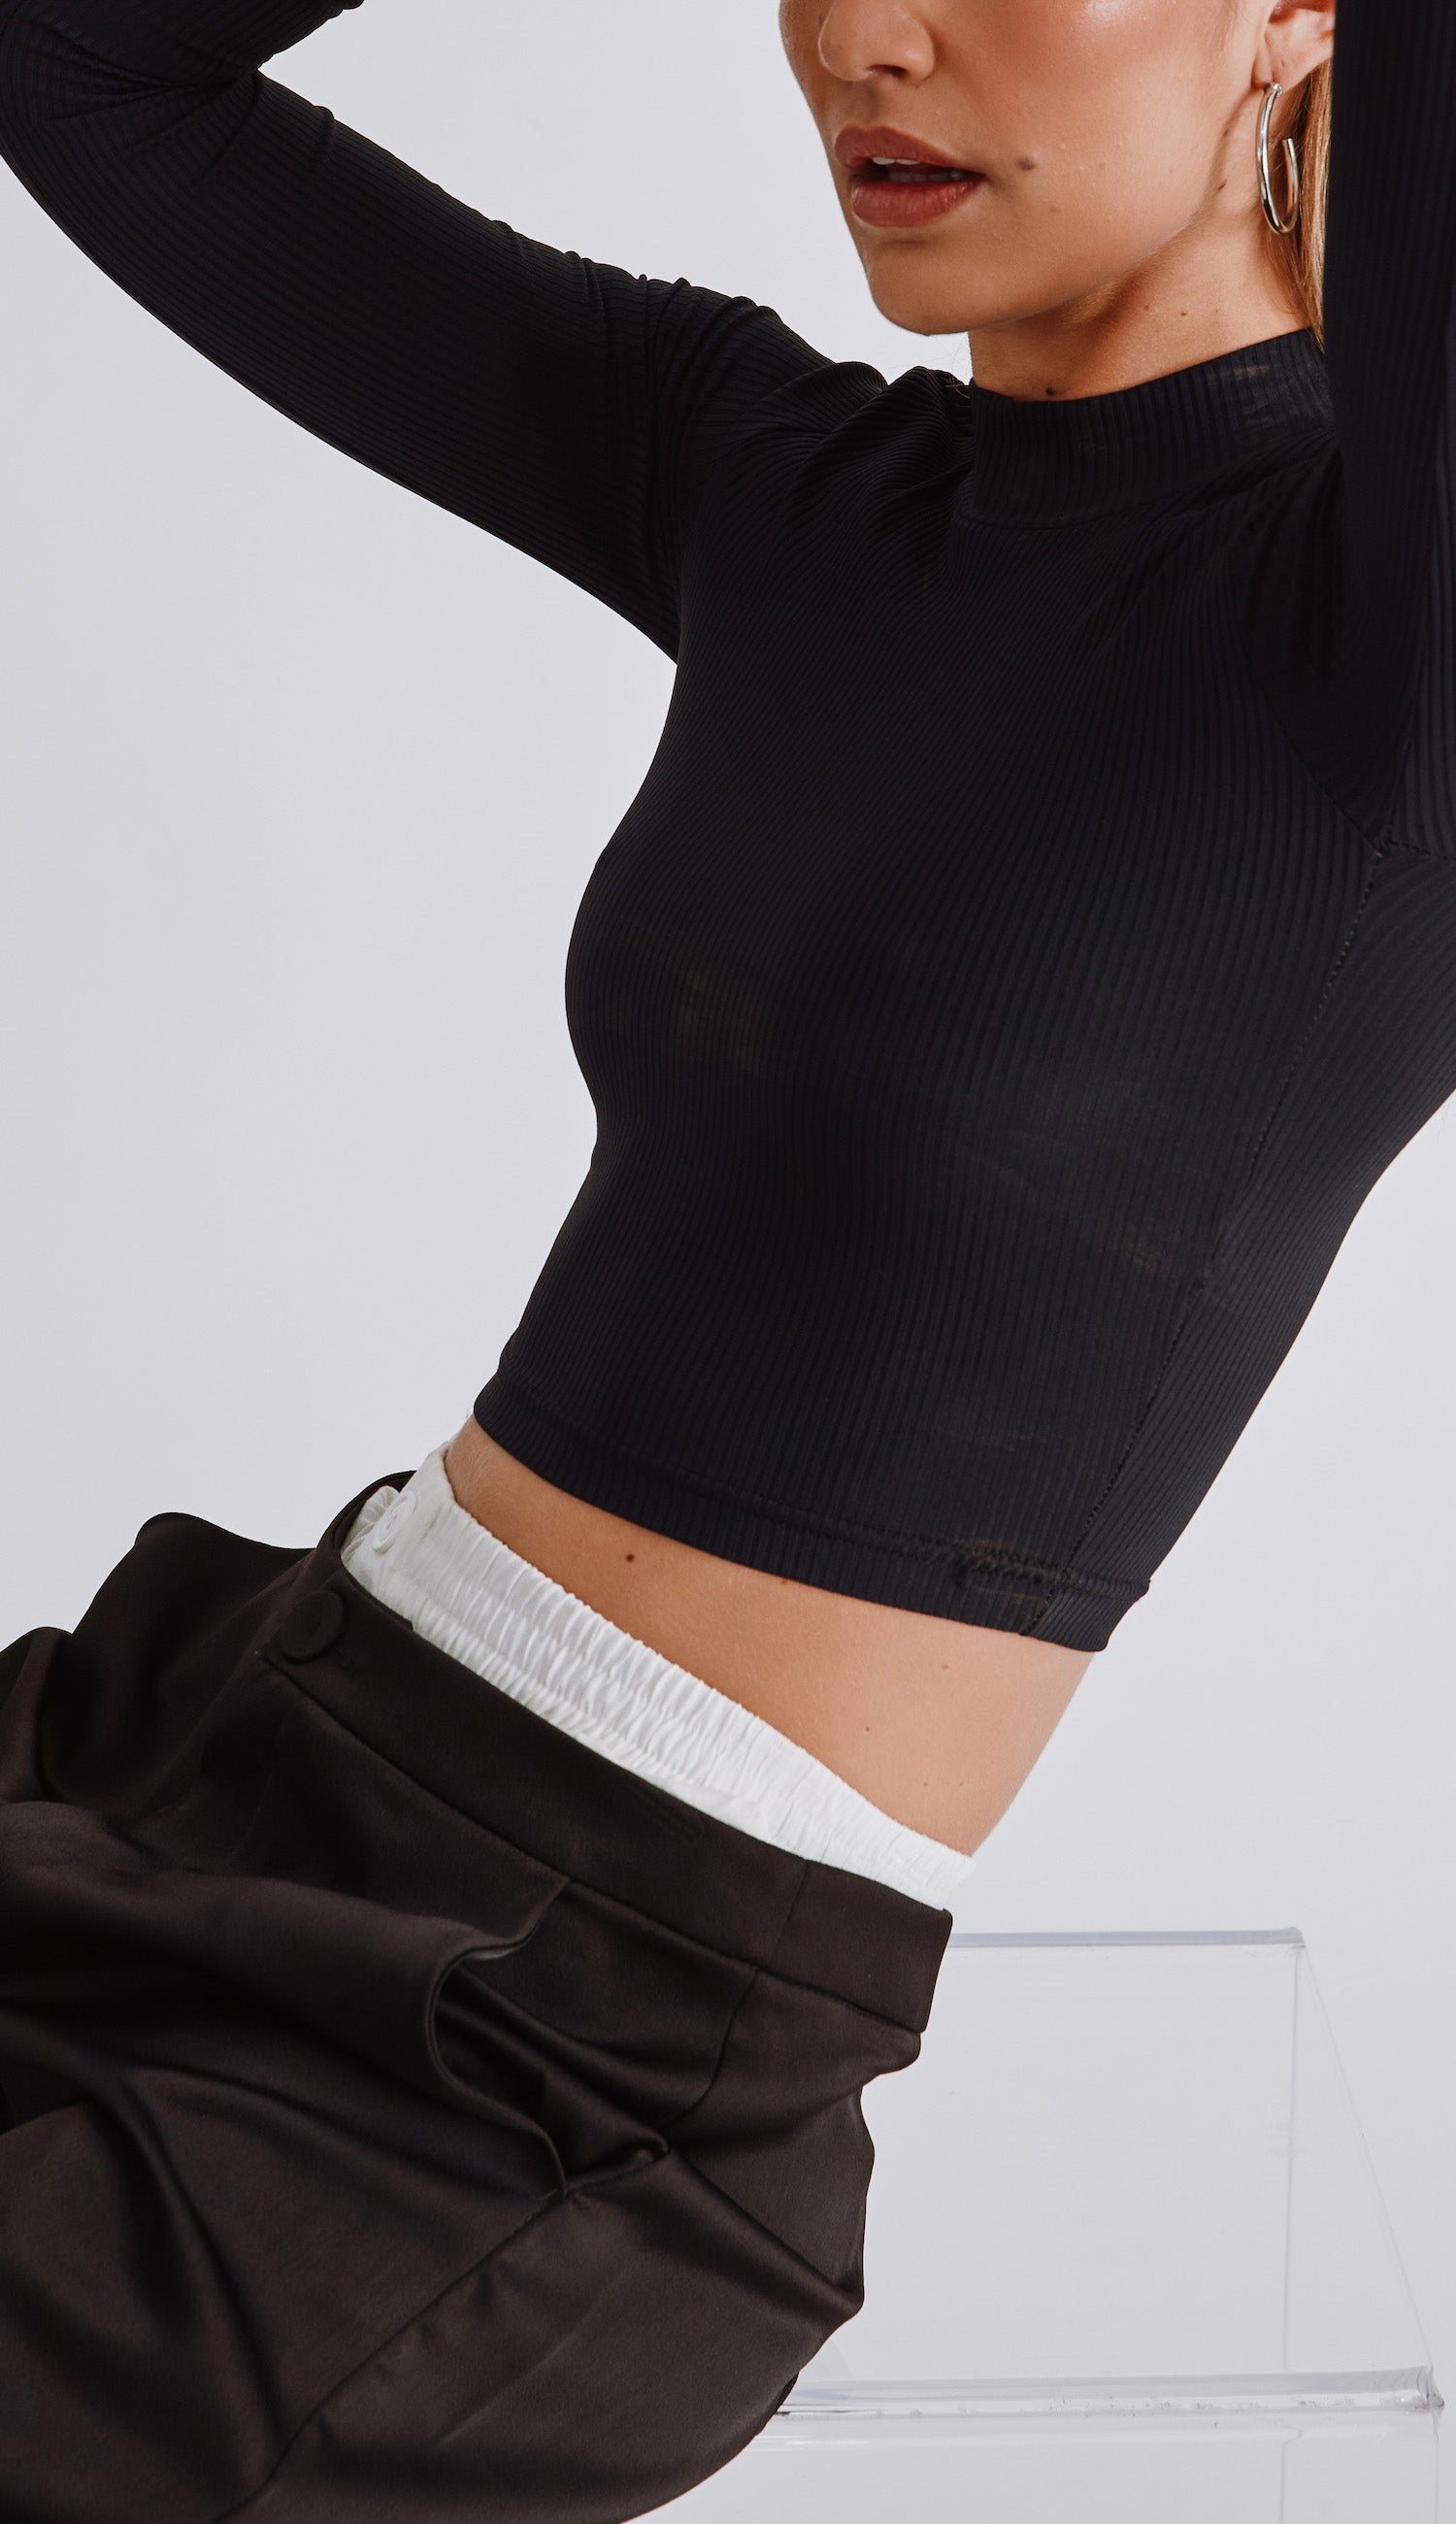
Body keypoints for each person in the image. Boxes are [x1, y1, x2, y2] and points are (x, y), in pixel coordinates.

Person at [1, 0, 1452, 2514]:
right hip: (216, 1738)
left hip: (549, 2071)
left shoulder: (1393, 647)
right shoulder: (771, 474)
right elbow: (83, 65)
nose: (867, 36)